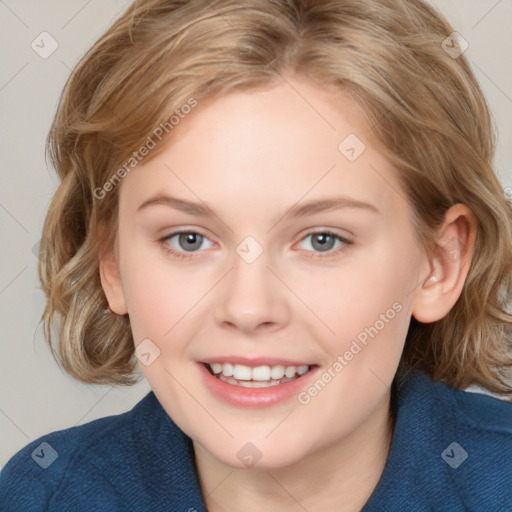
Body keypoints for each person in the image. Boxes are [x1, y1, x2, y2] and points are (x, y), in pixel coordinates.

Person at [1, 0, 511, 510]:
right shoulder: (44, 495)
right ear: (110, 260)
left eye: (322, 240)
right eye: (189, 239)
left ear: (438, 265)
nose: (248, 309)